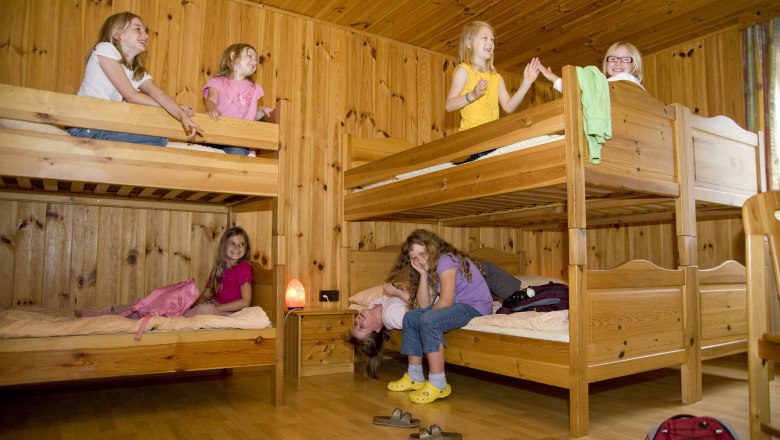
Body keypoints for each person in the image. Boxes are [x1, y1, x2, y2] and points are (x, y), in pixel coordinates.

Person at [347, 261, 522, 379]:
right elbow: (421, 306)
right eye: (362, 328)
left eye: (356, 324)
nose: (358, 321)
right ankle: (526, 296)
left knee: (484, 274)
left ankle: (525, 294)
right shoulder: (391, 316)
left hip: (447, 291)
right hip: (450, 297)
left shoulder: (377, 304)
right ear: (377, 329)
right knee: (485, 270)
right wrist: (399, 293)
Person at [386, 229, 493, 404]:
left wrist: (427, 317)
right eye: (414, 258)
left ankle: (438, 383)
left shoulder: (446, 260)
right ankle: (414, 376)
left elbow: (446, 300)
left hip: (476, 306)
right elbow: (423, 304)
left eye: (422, 253)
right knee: (412, 317)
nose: (420, 260)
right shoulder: (431, 267)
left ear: (432, 248)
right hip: (459, 305)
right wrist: (423, 274)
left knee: (428, 320)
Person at [68, 12, 201, 147]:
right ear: (118, 35)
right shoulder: (105, 49)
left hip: (104, 125)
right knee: (158, 139)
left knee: (157, 137)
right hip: (85, 125)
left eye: (145, 31)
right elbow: (131, 95)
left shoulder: (136, 72)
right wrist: (174, 108)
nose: (146, 35)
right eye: (138, 29)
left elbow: (159, 95)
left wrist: (181, 114)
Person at [444, 21, 541, 162]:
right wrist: (472, 95)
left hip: (492, 138)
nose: (490, 42)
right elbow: (449, 105)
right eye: (484, 38)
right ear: (469, 44)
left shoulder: (496, 78)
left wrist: (526, 83)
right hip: (471, 140)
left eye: (492, 39)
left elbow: (508, 107)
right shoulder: (464, 71)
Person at [203, 43, 274, 156]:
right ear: (233, 56)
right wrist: (212, 109)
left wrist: (261, 111)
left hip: (239, 139)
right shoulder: (217, 82)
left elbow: (251, 117)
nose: (254, 61)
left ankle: (246, 155)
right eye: (250, 55)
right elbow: (211, 100)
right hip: (216, 133)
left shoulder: (255, 88)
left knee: (237, 152)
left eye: (256, 59)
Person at [187, 226, 253, 316]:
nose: (237, 247)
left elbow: (245, 302)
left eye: (241, 244)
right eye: (232, 243)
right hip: (217, 308)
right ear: (224, 245)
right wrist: (198, 307)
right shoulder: (220, 267)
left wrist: (215, 308)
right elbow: (205, 295)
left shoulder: (243, 267)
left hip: (231, 313)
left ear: (246, 248)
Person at [539, 41, 645, 92]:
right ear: (606, 63)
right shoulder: (606, 87)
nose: (618, 63)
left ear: (634, 65)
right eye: (613, 58)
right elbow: (583, 93)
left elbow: (582, 91)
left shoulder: (628, 80)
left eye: (625, 59)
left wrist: (554, 78)